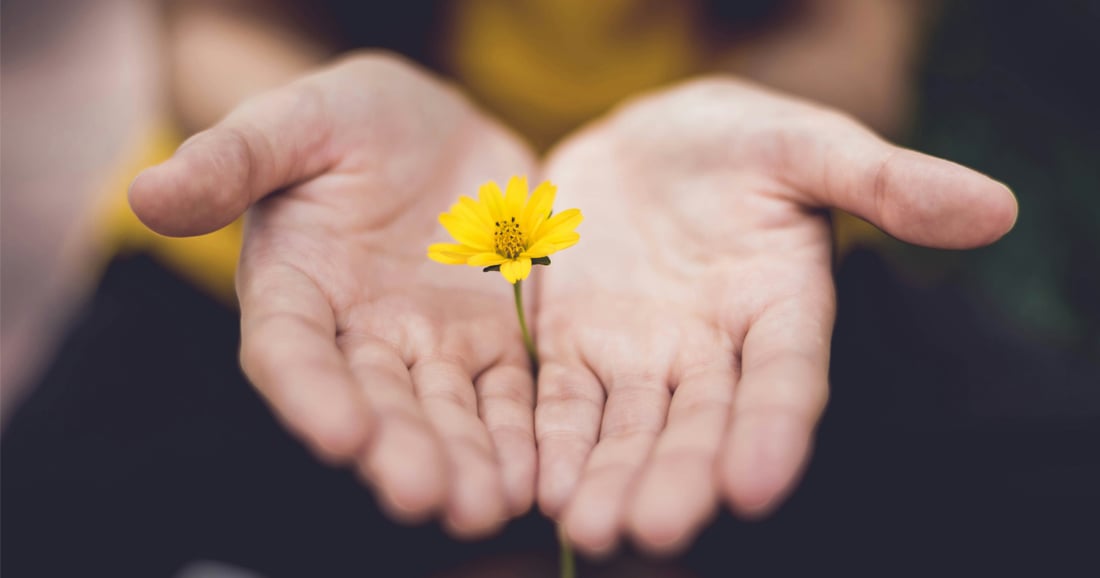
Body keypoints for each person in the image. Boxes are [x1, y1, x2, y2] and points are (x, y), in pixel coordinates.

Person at [5, 1, 1098, 576]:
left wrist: (742, 119)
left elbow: (848, 31)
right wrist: (303, 122)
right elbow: (217, 16)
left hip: (713, 256)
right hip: (320, 249)